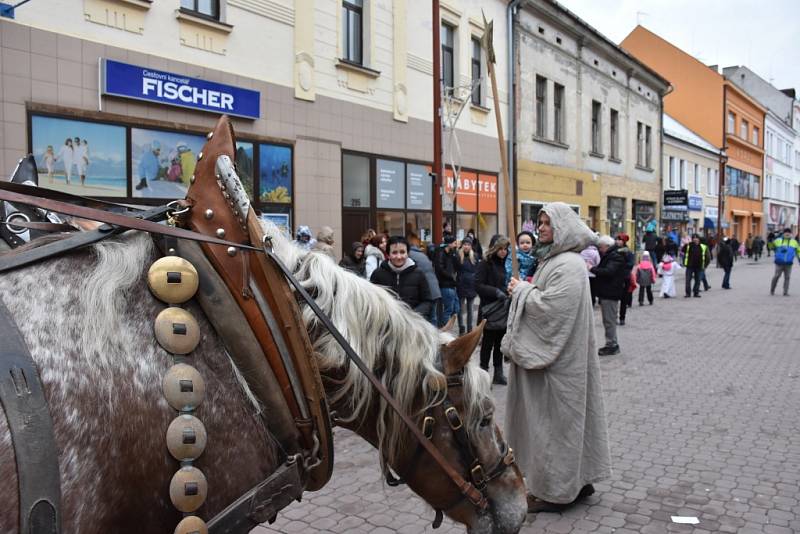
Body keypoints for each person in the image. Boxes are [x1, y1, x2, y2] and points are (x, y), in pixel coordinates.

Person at [503, 202, 611, 513]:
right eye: (539, 222)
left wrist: (522, 291)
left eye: (548, 222)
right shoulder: (555, 260)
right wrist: (525, 289)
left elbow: (553, 311)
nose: (541, 228)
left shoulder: (568, 265)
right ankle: (577, 480)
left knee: (555, 428)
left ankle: (555, 492)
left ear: (562, 227)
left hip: (559, 368)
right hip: (557, 365)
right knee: (558, 426)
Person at [476, 235, 511, 385]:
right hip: (489, 310)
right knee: (487, 344)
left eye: (505, 248)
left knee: (500, 344)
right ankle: (483, 376)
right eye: (500, 248)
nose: (503, 252)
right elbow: (478, 285)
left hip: (502, 309)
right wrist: (496, 292)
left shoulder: (505, 263)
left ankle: (498, 373)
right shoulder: (485, 264)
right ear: (494, 248)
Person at [370, 236, 432, 317]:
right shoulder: (377, 274)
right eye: (394, 252)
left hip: (413, 324)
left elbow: (427, 301)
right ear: (388, 255)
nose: (399, 257)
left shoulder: (419, 273)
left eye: (402, 252)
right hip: (387, 325)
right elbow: (372, 301)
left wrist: (413, 315)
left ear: (407, 253)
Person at [591, 235, 626, 355]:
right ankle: (611, 343)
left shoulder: (614, 257)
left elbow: (608, 272)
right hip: (608, 292)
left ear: (606, 246)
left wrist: (592, 269)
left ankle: (612, 345)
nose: (600, 249)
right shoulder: (612, 255)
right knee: (608, 320)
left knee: (609, 320)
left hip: (610, 293)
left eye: (601, 247)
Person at [408, 236, 441, 326]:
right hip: (435, 289)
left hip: (426, 290)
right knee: (433, 316)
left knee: (426, 318)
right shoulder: (423, 255)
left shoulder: (410, 255)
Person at [434, 235, 461, 327]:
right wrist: (451, 277)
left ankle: (445, 326)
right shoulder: (441, 253)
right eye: (454, 243)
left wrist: (455, 254)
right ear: (449, 244)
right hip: (446, 285)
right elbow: (440, 269)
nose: (456, 245)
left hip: (452, 284)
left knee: (456, 308)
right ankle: (444, 328)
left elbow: (458, 265)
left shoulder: (452, 253)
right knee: (448, 310)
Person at [456, 237, 478, 335]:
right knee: (460, 309)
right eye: (465, 244)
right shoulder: (458, 256)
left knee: (470, 309)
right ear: (462, 245)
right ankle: (461, 328)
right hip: (461, 285)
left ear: (471, 246)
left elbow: (477, 271)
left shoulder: (475, 256)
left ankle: (469, 329)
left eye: (468, 244)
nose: (466, 246)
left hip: (471, 285)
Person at [770, 228, 800, 296]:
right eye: (786, 232)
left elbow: (798, 250)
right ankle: (772, 290)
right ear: (783, 233)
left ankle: (785, 292)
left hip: (789, 263)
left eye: (788, 232)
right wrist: (770, 242)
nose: (787, 233)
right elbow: (771, 247)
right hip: (779, 262)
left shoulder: (794, 242)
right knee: (776, 276)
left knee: (787, 277)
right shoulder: (778, 240)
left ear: (791, 234)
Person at [615, 233, 634, 326]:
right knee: (614, 298)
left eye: (619, 240)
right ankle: (613, 316)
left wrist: (620, 266)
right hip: (615, 277)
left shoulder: (628, 252)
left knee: (623, 299)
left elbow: (631, 264)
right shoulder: (614, 250)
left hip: (624, 278)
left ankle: (622, 317)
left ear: (624, 241)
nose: (617, 241)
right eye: (617, 239)